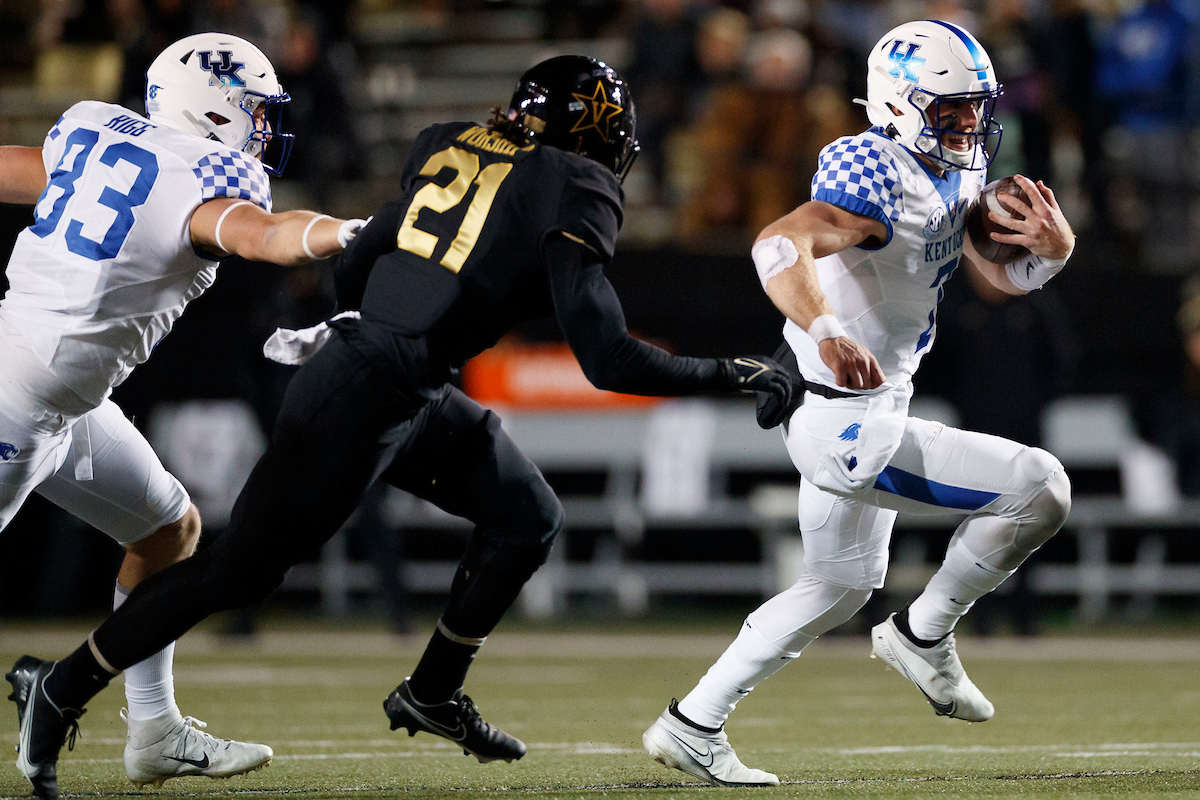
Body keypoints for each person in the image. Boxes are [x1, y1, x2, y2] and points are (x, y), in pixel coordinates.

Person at [7, 54, 796, 791]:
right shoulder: (575, 183)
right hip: (366, 389)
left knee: (526, 517)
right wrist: (732, 372)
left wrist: (360, 318)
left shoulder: (449, 140)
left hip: (397, 380)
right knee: (237, 571)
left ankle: (433, 691)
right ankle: (62, 685)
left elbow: (372, 242)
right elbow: (608, 360)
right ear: (593, 134)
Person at [642, 20, 1075, 786]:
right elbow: (778, 245)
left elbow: (993, 275)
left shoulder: (953, 167)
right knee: (1041, 487)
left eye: (976, 105)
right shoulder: (875, 168)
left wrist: (1053, 254)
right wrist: (827, 328)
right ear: (900, 104)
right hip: (842, 418)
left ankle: (693, 722)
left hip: (866, 407)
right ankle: (924, 632)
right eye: (951, 107)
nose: (969, 122)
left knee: (837, 586)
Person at [0, 31, 364, 798]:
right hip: (17, 397)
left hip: (57, 396)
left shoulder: (97, 131)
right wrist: (349, 231)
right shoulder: (207, 175)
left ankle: (155, 730)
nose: (265, 127)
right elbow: (264, 235)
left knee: (168, 529)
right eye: (254, 109)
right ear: (214, 108)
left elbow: (19, 167)